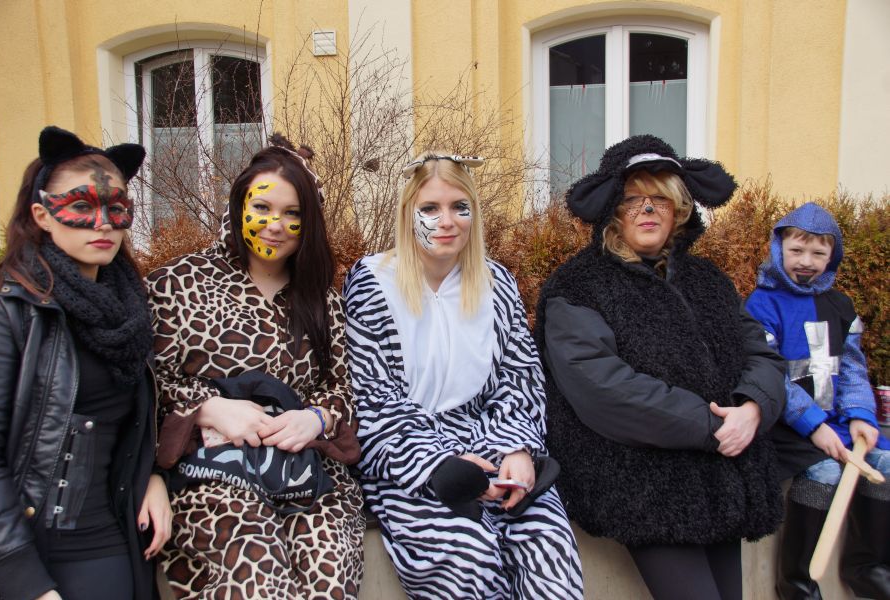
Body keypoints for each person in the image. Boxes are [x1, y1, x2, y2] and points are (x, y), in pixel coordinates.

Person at [535, 135, 786, 600]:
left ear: (679, 209)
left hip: (721, 474)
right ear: (613, 210)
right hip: (643, 483)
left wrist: (753, 408)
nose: (647, 210)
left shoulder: (708, 281)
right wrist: (714, 425)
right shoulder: (578, 285)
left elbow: (761, 354)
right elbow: (604, 389)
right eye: (633, 200)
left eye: (660, 199)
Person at [344, 152, 584, 599]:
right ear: (408, 212)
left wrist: (517, 449)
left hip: (490, 439)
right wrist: (441, 465)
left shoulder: (496, 283)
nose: (446, 221)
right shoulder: (373, 282)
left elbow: (520, 378)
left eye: (460, 207)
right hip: (411, 458)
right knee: (466, 557)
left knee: (548, 544)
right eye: (430, 208)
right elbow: (372, 397)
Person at [146, 137, 365, 598]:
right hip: (212, 473)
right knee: (257, 575)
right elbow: (147, 382)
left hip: (306, 472)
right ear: (239, 205)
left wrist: (317, 418)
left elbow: (343, 387)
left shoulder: (319, 298)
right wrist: (208, 408)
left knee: (329, 571)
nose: (275, 225)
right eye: (262, 208)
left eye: (292, 213)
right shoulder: (178, 284)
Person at [0, 126, 171, 600]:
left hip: (110, 539)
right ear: (42, 215)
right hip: (26, 550)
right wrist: (23, 581)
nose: (103, 223)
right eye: (82, 206)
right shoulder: (7, 308)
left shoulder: (130, 309)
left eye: (117, 208)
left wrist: (154, 474)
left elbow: (138, 423)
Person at [745, 202, 889, 600]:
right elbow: (770, 373)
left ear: (832, 256)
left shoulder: (841, 306)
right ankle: (797, 582)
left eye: (818, 252)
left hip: (836, 422)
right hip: (787, 425)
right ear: (779, 249)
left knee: (884, 462)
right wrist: (813, 424)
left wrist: (860, 416)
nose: (806, 261)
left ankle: (868, 567)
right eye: (797, 250)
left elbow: (853, 367)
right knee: (824, 470)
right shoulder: (761, 304)